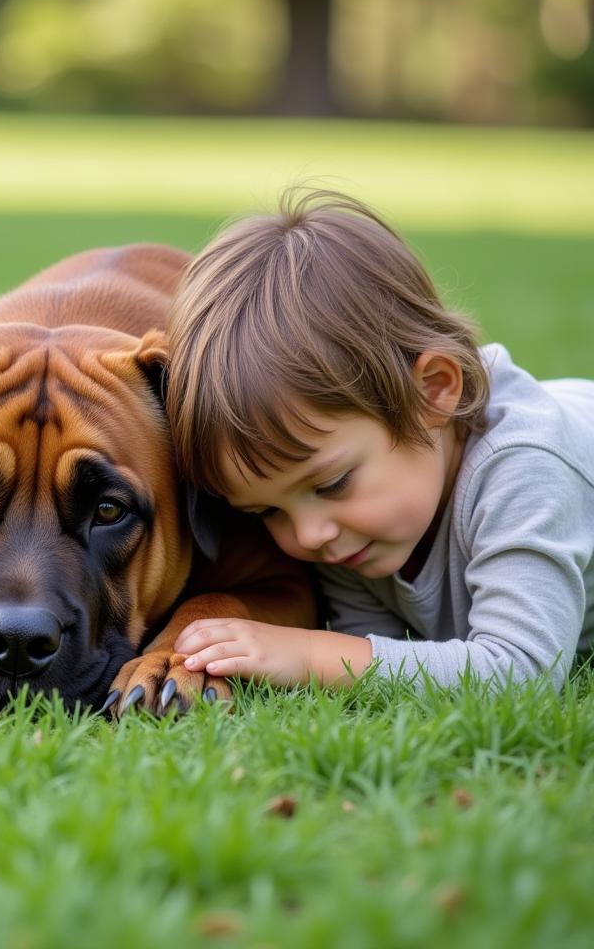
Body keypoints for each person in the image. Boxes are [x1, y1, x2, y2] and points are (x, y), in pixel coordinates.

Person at [166, 188, 594, 690]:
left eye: (332, 484)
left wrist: (306, 654)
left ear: (433, 392)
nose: (308, 536)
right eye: (267, 512)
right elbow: (378, 650)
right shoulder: (348, 527)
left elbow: (522, 672)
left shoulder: (527, 468)